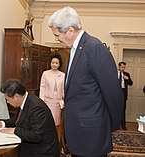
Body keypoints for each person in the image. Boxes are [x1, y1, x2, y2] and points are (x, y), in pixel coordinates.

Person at [48, 6, 124, 157]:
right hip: (78, 133)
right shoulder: (76, 50)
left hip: (92, 135)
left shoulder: (94, 48)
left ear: (70, 31)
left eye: (57, 35)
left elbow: (113, 94)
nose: (56, 39)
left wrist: (110, 127)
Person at [0, 79, 59, 157]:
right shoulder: (26, 100)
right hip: (30, 147)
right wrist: (2, 123)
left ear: (16, 96)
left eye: (8, 99)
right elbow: (18, 120)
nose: (8, 102)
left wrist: (15, 130)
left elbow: (37, 136)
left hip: (42, 152)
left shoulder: (37, 108)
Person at [40, 53, 65, 126]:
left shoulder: (63, 75)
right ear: (50, 63)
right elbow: (42, 87)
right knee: (47, 119)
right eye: (53, 62)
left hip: (57, 100)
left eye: (56, 63)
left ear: (59, 64)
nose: (54, 64)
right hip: (47, 100)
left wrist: (63, 99)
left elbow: (64, 88)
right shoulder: (45, 73)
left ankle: (55, 135)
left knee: (56, 121)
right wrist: (42, 100)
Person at [118, 61, 133, 130]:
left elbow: (131, 83)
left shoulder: (127, 74)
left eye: (124, 67)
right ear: (119, 66)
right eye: (122, 67)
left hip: (123, 93)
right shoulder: (114, 74)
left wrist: (128, 79)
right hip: (115, 93)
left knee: (123, 109)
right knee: (115, 109)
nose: (123, 68)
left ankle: (123, 125)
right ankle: (116, 125)